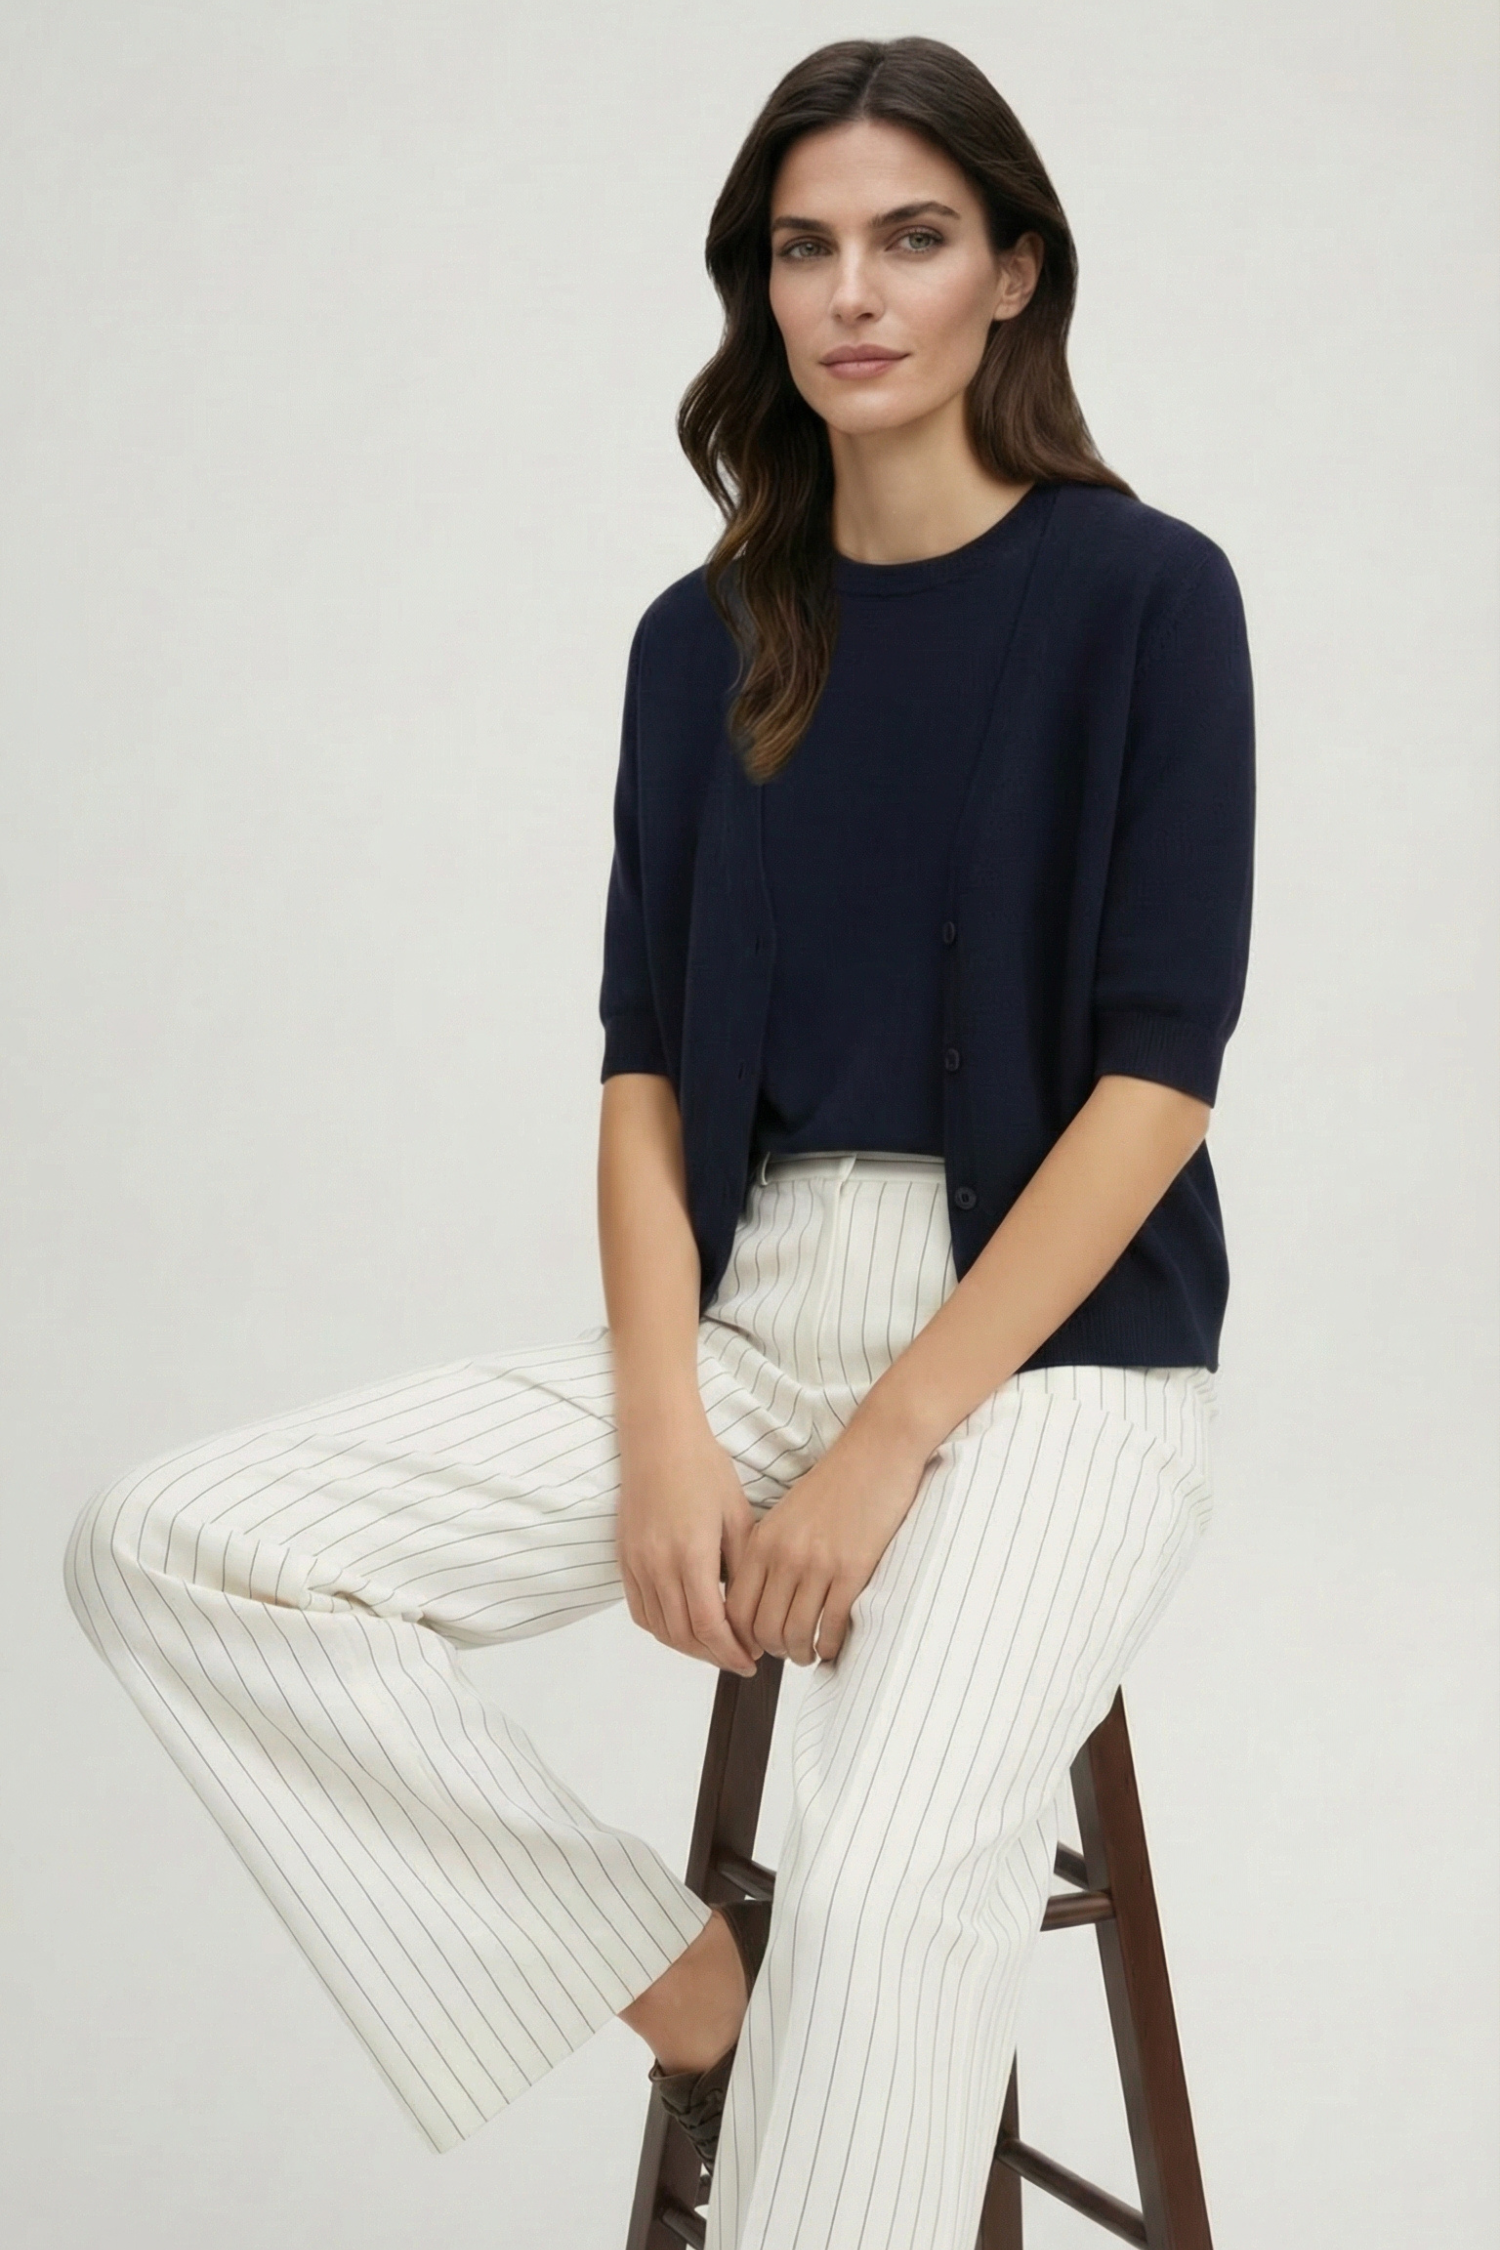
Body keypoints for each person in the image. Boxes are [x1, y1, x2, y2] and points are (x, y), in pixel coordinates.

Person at [62, 34, 1255, 2250]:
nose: (852, 293)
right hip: (755, 1318)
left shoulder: (1145, 600)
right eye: (805, 248)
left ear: (1013, 272)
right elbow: (643, 1076)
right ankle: (694, 1984)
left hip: (1060, 1365)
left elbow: (1157, 1085)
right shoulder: (702, 641)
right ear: (758, 290)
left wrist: (894, 1442)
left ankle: (818, 2065)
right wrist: (664, 1438)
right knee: (176, 1543)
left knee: (898, 1890)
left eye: (911, 238)